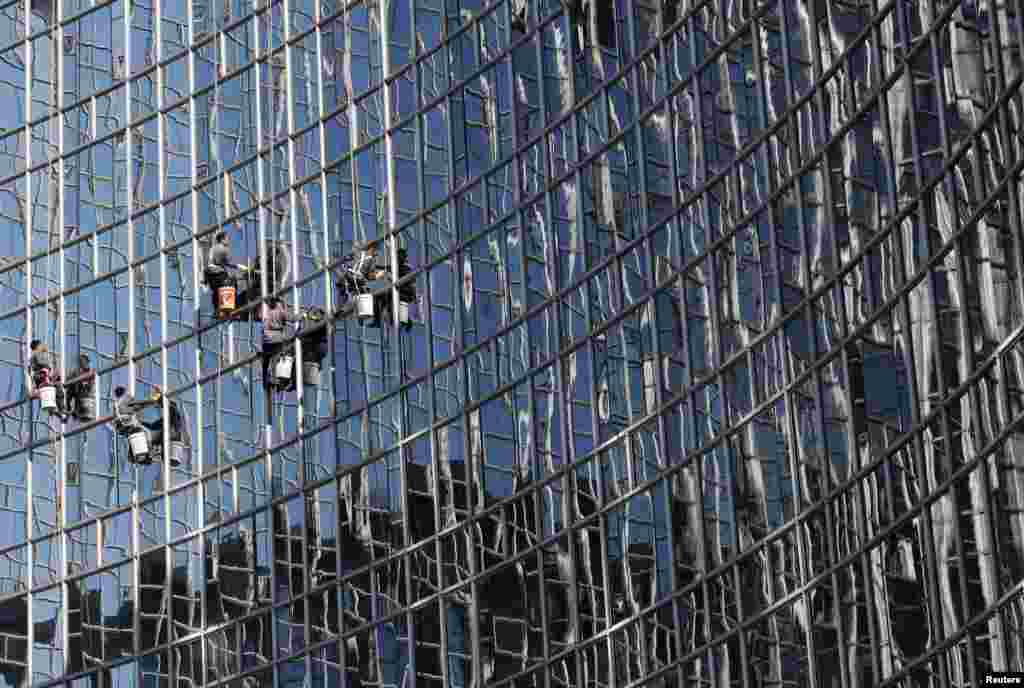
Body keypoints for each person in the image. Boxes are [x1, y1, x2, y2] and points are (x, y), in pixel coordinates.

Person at [261, 297, 305, 388]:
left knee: (268, 359)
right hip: (276, 339)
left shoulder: (268, 313)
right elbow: (293, 318)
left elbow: (264, 327)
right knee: (276, 358)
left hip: (266, 340)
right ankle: (274, 379)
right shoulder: (280, 311)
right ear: (278, 303)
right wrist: (303, 315)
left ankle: (266, 379)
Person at [143, 386, 189, 467]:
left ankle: (149, 456)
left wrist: (157, 394)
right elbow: (152, 426)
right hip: (169, 445)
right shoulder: (166, 420)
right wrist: (139, 422)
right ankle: (147, 456)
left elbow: (169, 406)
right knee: (151, 441)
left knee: (153, 441)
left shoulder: (174, 415)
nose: (158, 408)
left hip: (172, 442)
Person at [113, 386, 157, 463]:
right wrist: (156, 397)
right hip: (128, 424)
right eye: (128, 394)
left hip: (121, 426)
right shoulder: (125, 401)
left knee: (134, 436)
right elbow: (142, 404)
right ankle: (149, 451)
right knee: (146, 432)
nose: (130, 396)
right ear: (124, 394)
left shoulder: (117, 403)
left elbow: (138, 406)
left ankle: (133, 455)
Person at [29, 340, 67, 419]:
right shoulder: (37, 354)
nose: (43, 346)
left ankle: (59, 410)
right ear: (37, 346)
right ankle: (60, 409)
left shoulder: (36, 356)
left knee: (56, 389)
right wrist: (46, 353)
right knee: (55, 389)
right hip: (43, 378)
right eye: (41, 345)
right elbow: (43, 365)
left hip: (44, 378)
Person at [66, 354, 96, 421]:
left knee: (84, 402)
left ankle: (82, 413)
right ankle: (73, 412)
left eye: (83, 361)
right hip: (79, 395)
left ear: (87, 361)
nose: (81, 363)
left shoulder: (91, 371)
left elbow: (91, 382)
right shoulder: (76, 372)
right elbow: (68, 381)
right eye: (80, 361)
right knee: (69, 395)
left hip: (86, 395)